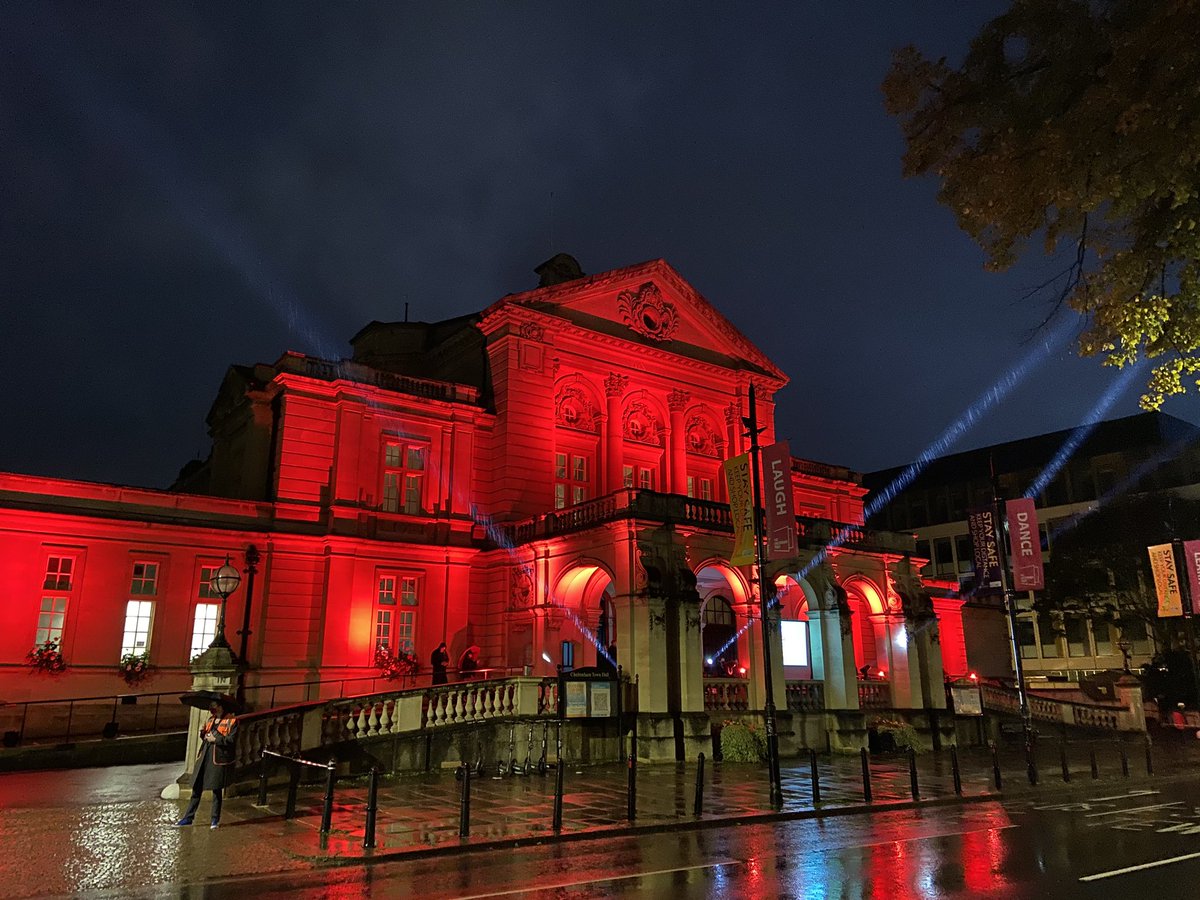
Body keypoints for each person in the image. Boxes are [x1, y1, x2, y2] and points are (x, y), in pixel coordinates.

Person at [175, 698, 238, 829]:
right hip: (205, 755)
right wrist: (203, 734)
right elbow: (204, 736)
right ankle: (188, 818)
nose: (212, 709)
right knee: (196, 787)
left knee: (216, 789)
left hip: (218, 758)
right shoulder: (210, 720)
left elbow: (231, 740)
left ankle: (215, 820)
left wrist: (216, 739)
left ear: (221, 707)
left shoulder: (232, 721)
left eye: (214, 706)